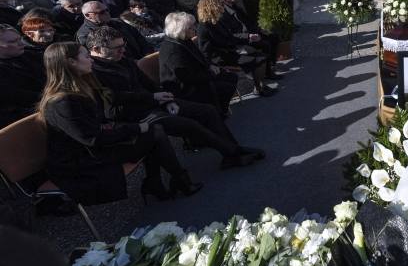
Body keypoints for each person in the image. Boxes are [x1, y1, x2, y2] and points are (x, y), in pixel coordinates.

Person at [39, 42, 202, 204]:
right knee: (153, 133)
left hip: (94, 146)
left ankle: (162, 182)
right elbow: (92, 138)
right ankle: (171, 181)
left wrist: (135, 124)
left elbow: (105, 115)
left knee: (153, 132)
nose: (92, 60)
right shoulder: (62, 102)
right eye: (87, 56)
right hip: (80, 160)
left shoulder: (81, 86)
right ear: (71, 62)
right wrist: (136, 128)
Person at [86, 26, 262, 169]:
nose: (123, 50)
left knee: (208, 111)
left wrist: (167, 100)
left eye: (123, 45)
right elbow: (114, 99)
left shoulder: (122, 60)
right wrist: (154, 98)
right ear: (96, 49)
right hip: (133, 115)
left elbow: (147, 82)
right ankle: (232, 154)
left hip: (152, 102)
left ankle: (233, 151)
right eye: (117, 48)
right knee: (191, 125)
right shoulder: (93, 71)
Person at [159, 12, 240, 115]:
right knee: (226, 87)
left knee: (231, 77)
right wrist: (211, 74)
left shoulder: (184, 40)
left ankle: (221, 109)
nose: (195, 28)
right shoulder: (172, 50)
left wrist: (210, 65)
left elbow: (200, 57)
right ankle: (218, 113)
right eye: (190, 27)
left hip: (198, 76)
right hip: (186, 88)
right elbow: (186, 77)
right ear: (180, 30)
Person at [196, 0, 276, 97]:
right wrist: (211, 65)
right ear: (212, 7)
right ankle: (259, 88)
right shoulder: (203, 27)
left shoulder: (217, 21)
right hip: (221, 57)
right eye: (219, 4)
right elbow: (205, 51)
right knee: (256, 60)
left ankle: (259, 85)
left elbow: (231, 37)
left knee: (261, 56)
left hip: (231, 51)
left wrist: (248, 37)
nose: (221, 6)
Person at [0, 24, 46, 127]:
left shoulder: (32, 55)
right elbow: (16, 96)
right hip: (29, 118)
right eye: (13, 41)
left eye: (19, 39)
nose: (21, 43)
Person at [77, 1, 153, 61]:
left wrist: (147, 53)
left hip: (142, 57)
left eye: (107, 10)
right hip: (123, 67)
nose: (107, 13)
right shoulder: (85, 34)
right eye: (102, 12)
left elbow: (139, 37)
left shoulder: (117, 22)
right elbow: (99, 56)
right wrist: (132, 63)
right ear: (88, 15)